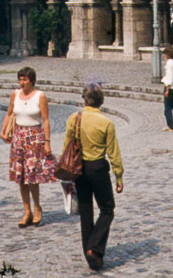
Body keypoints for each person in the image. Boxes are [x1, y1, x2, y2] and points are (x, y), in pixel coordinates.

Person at [66, 83, 123, 272]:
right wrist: (119, 176)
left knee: (86, 211)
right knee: (107, 209)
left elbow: (67, 146)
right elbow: (113, 153)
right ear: (101, 101)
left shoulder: (74, 119)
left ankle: (89, 251)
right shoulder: (106, 123)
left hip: (79, 169)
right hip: (98, 168)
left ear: (84, 99)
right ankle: (95, 248)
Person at [1, 66, 58, 227]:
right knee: (20, 176)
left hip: (34, 138)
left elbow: (45, 120)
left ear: (32, 80)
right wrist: (3, 130)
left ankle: (37, 207)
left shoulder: (40, 96)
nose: (22, 83)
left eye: (25, 79)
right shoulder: (15, 94)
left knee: (33, 176)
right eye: (20, 79)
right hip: (19, 138)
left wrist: (47, 142)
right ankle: (27, 210)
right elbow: (9, 112)